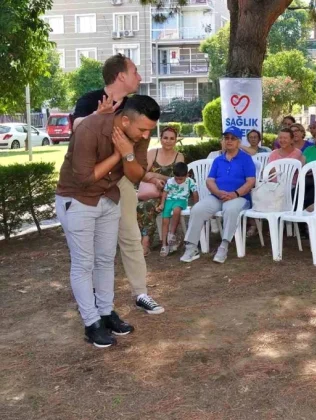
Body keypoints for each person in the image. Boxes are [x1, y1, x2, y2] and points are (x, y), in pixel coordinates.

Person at [56, 95, 159, 347]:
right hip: (78, 199)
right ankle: (91, 324)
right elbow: (84, 179)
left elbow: (135, 175)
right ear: (124, 120)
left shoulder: (137, 136)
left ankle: (105, 313)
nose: (146, 136)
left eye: (149, 131)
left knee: (104, 259)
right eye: (143, 129)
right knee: (84, 263)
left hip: (108, 199)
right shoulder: (90, 128)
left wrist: (129, 155)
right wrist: (118, 155)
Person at [69, 54, 162, 315]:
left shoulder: (137, 109)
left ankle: (140, 292)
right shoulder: (90, 100)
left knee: (131, 237)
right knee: (93, 250)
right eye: (135, 71)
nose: (140, 76)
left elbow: (137, 167)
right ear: (121, 75)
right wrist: (96, 117)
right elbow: (75, 128)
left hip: (119, 182)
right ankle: (93, 301)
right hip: (91, 182)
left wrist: (143, 172)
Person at [180, 126, 257, 264]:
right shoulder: (218, 160)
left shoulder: (246, 159)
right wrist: (217, 192)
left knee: (230, 209)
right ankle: (191, 247)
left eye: (233, 138)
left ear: (239, 142)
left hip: (239, 197)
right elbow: (210, 180)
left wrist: (235, 193)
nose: (229, 141)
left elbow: (250, 182)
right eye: (226, 138)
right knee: (197, 209)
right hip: (217, 196)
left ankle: (224, 245)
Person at [136, 126, 184, 255]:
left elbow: (178, 178)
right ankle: (144, 239)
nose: (168, 141)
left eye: (172, 138)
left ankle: (145, 242)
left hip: (170, 194)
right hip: (150, 191)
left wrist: (157, 176)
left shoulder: (179, 157)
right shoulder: (153, 153)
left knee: (147, 205)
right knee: (140, 206)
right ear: (161, 139)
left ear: (175, 140)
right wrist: (155, 181)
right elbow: (142, 174)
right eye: (165, 138)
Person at [158, 162, 199, 256]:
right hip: (169, 200)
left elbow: (195, 193)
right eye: (176, 178)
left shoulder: (190, 181)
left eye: (181, 179)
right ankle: (164, 244)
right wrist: (162, 204)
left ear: (187, 175)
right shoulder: (170, 181)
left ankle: (171, 234)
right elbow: (165, 192)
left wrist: (196, 205)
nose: (178, 181)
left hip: (181, 200)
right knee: (165, 221)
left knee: (177, 210)